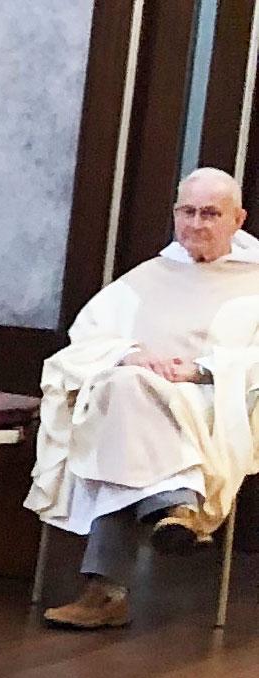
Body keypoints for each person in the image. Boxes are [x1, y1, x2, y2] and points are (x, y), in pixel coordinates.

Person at [35, 167, 259, 629]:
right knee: (123, 391)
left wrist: (200, 369)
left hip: (213, 402)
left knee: (119, 414)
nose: (196, 224)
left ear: (238, 219)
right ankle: (176, 506)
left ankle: (106, 591)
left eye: (210, 213)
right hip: (135, 400)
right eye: (187, 211)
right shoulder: (147, 276)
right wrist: (130, 352)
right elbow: (87, 338)